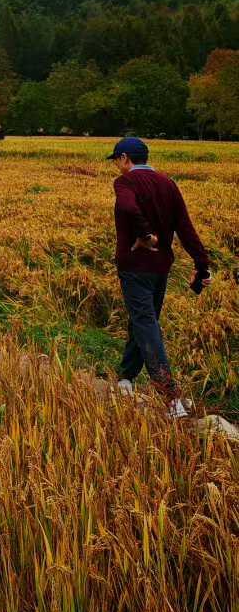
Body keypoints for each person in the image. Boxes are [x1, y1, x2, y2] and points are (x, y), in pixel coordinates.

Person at [107, 136, 211, 417]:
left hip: (134, 267)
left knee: (145, 322)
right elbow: (186, 228)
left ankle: (170, 397)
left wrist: (144, 235)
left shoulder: (125, 182)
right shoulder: (168, 184)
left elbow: (128, 207)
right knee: (143, 319)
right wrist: (202, 264)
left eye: (117, 160)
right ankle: (126, 378)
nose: (117, 165)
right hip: (160, 267)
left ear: (125, 158)